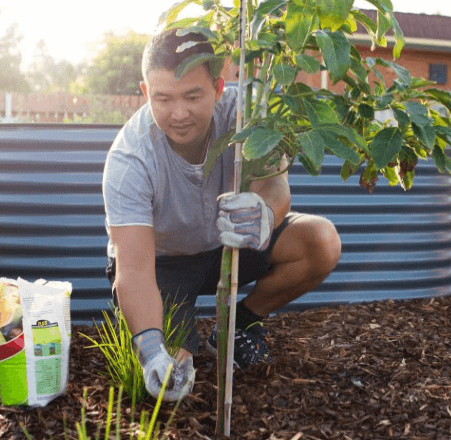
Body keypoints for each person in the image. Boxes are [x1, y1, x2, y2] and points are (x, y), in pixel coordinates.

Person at [101, 28, 342, 402]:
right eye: (163, 98)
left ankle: (237, 326)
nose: (178, 114)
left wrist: (264, 212)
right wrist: (150, 350)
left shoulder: (247, 117)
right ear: (146, 92)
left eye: (192, 96)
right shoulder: (129, 159)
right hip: (162, 267)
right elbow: (132, 270)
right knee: (175, 381)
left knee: (320, 241)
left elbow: (275, 186)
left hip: (230, 244)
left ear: (218, 87)